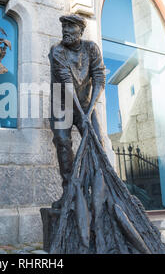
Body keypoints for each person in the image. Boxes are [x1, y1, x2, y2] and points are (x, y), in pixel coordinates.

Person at [49, 14, 106, 209]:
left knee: (97, 142)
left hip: (85, 103)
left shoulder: (91, 48)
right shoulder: (57, 51)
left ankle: (100, 190)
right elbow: (66, 83)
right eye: (64, 26)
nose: (65, 30)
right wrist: (82, 114)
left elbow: (99, 76)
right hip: (62, 103)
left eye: (71, 27)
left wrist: (88, 112)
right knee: (63, 144)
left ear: (81, 31)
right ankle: (69, 192)